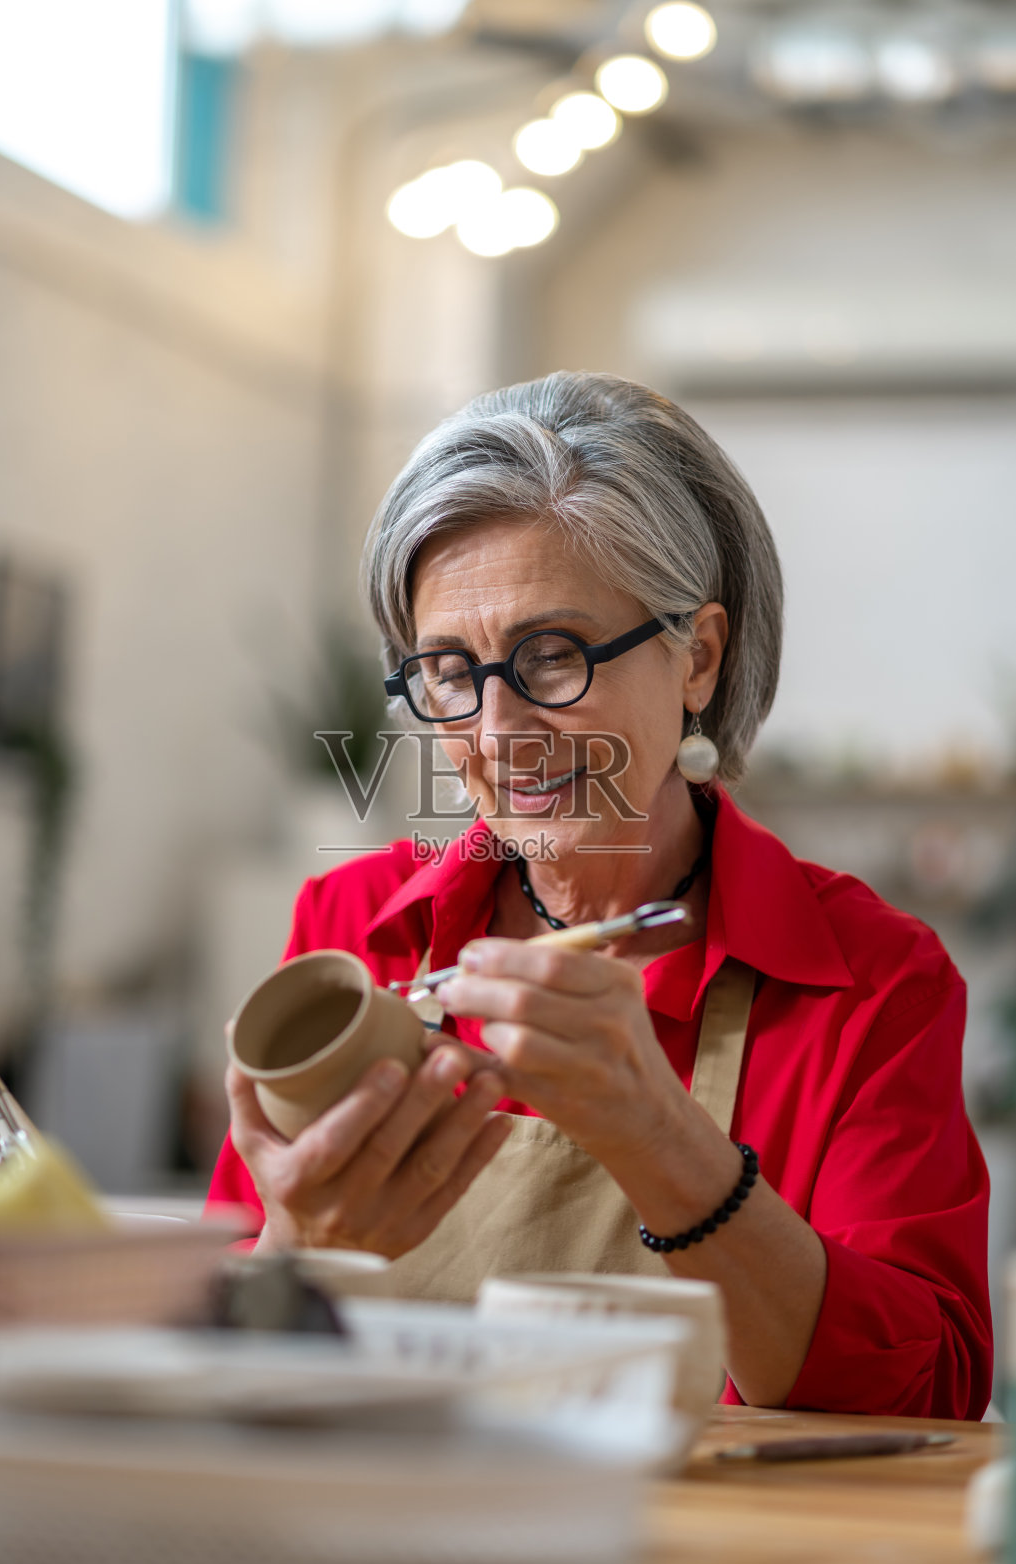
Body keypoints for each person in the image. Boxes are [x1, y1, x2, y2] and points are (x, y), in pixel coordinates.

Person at [208, 371, 992, 1419]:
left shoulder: (870, 981)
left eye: (553, 657)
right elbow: (213, 1363)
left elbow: (926, 1401)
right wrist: (308, 1247)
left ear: (698, 658)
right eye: (449, 670)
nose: (496, 735)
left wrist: (665, 1143)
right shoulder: (351, 931)